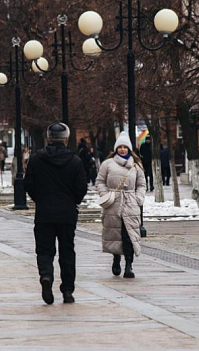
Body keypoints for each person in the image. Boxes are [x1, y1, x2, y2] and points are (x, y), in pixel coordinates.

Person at [24, 122, 87, 305]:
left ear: (49, 139)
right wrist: (72, 201)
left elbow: (28, 184)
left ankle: (46, 276)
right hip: (67, 214)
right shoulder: (75, 161)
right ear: (66, 139)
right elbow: (81, 187)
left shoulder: (36, 159)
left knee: (44, 250)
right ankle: (67, 290)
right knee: (67, 251)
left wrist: (40, 199)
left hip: (44, 213)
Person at [96, 131, 147, 279]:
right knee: (114, 234)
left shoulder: (136, 166)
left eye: (125, 147)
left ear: (129, 149)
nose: (123, 149)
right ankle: (116, 259)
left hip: (130, 204)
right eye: (120, 147)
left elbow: (141, 184)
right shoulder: (107, 164)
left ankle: (129, 265)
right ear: (116, 148)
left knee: (129, 235)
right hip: (113, 203)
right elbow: (100, 181)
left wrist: (138, 199)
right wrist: (105, 195)